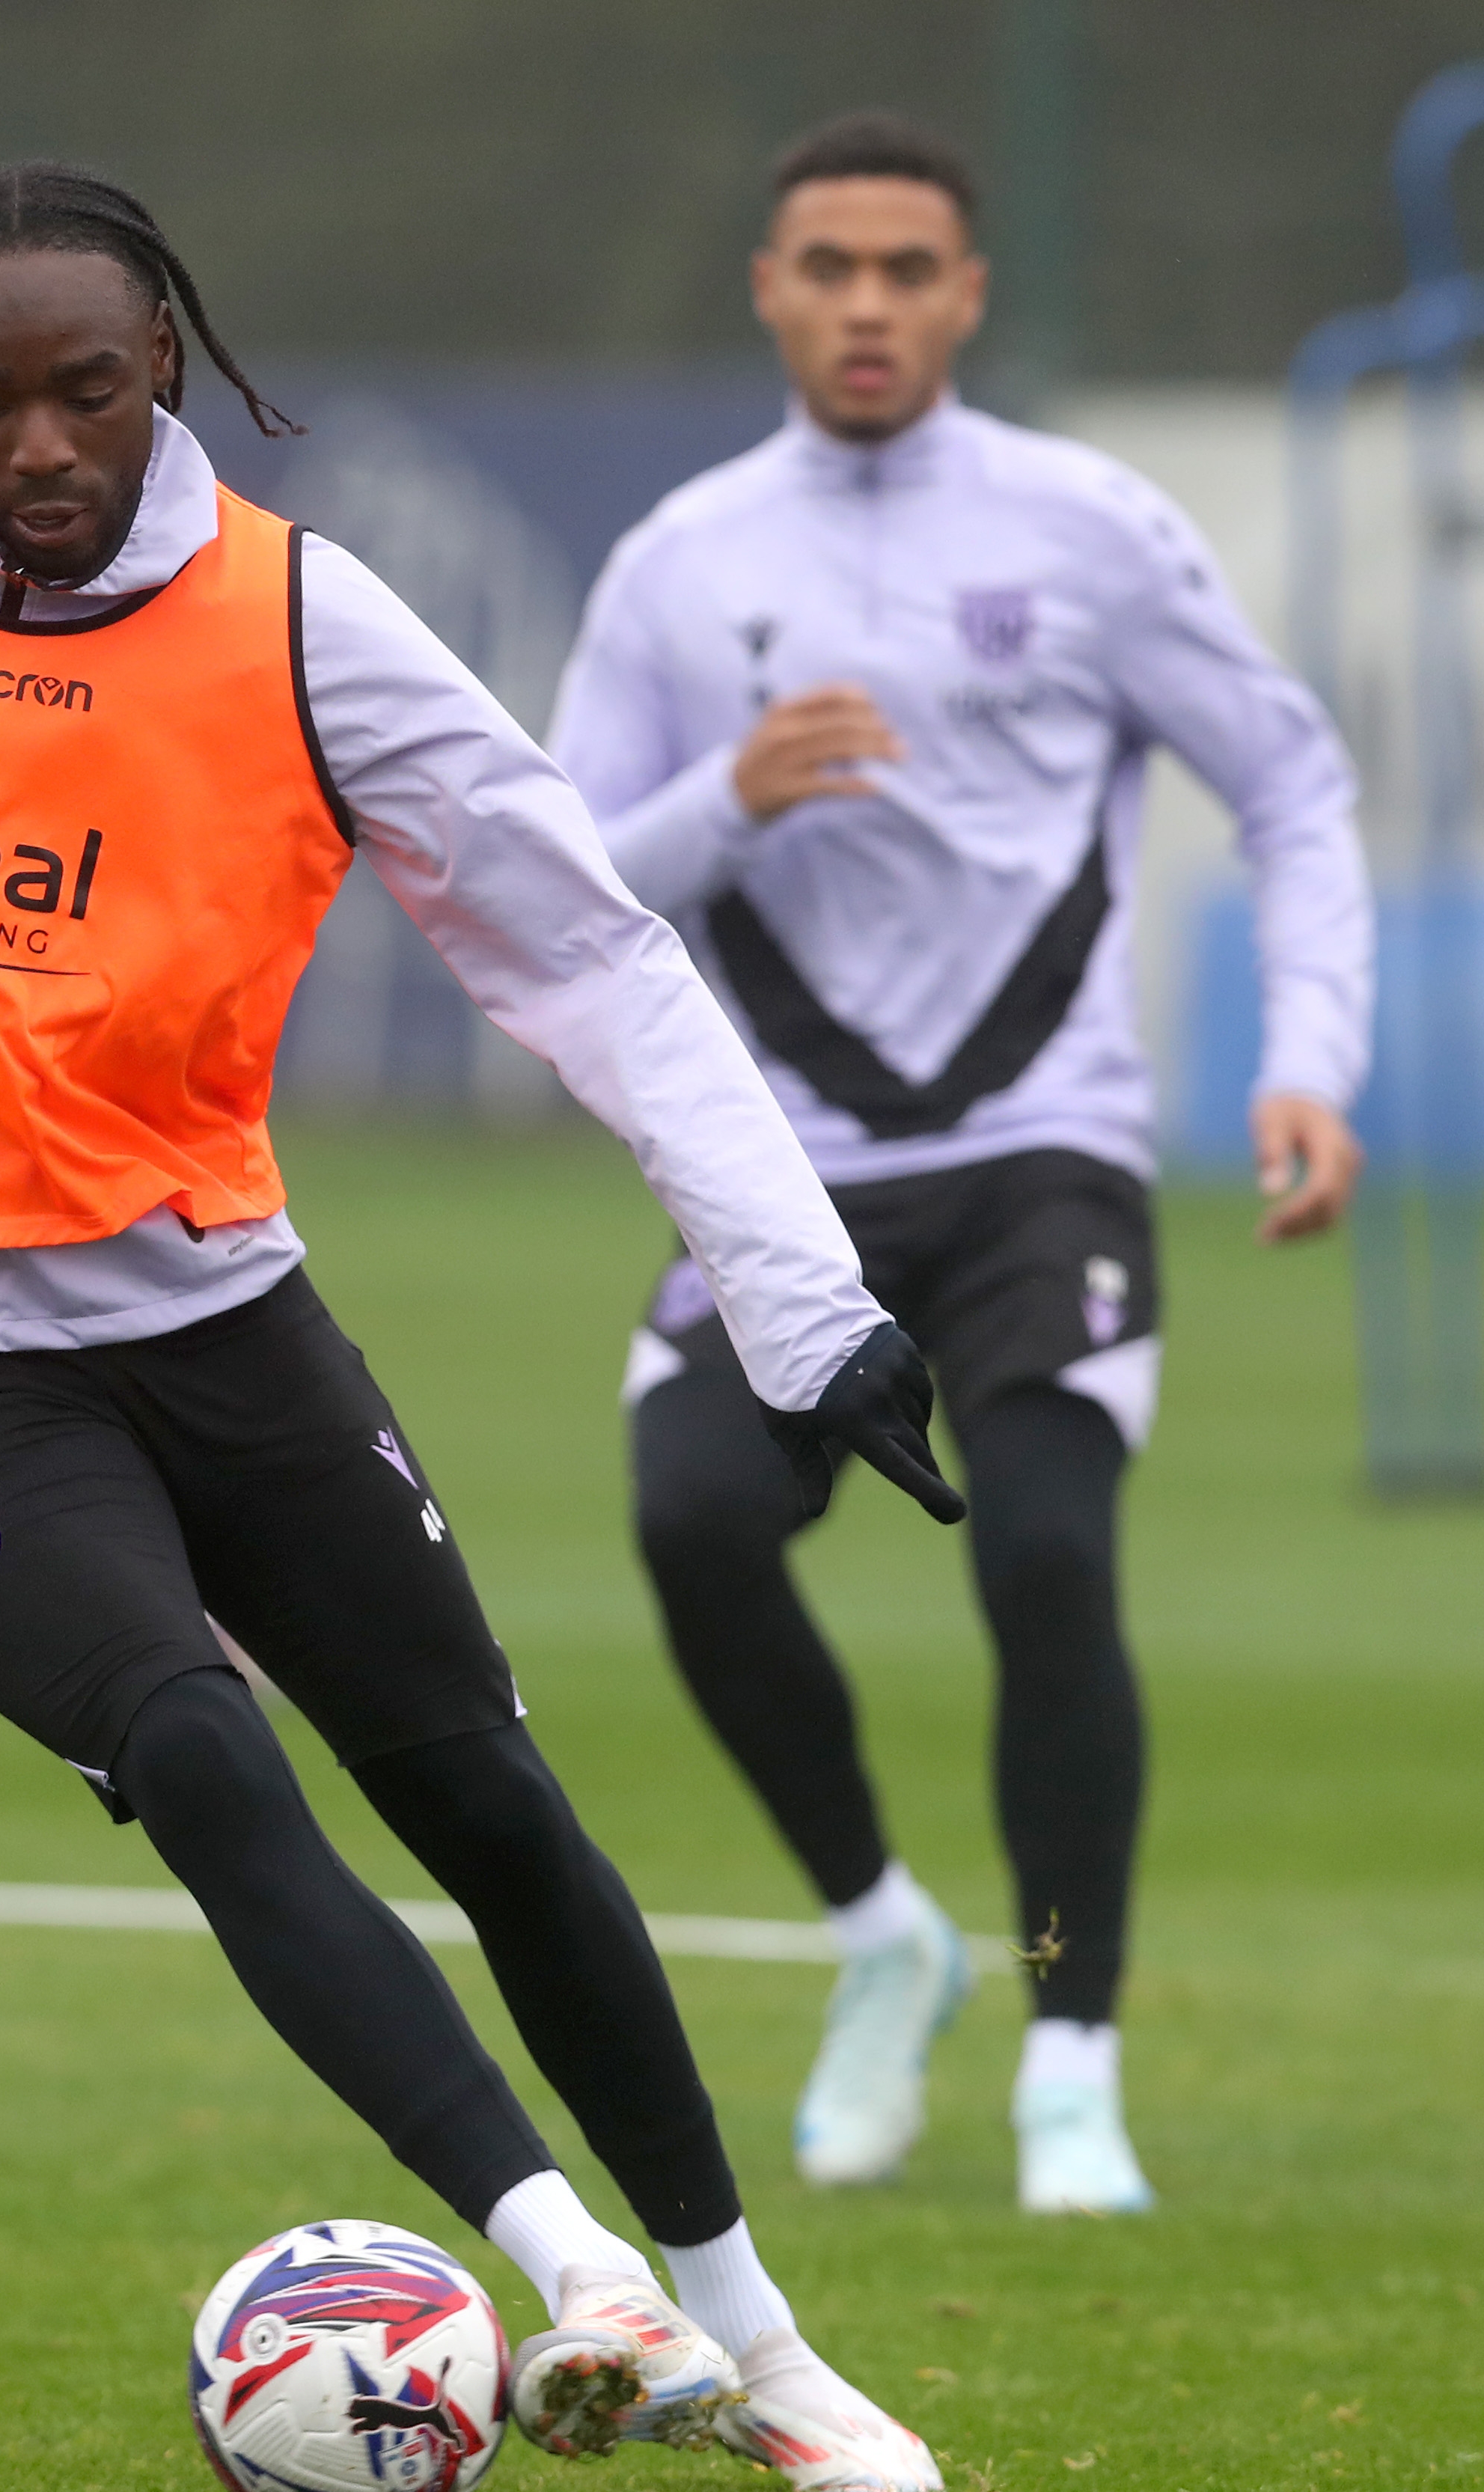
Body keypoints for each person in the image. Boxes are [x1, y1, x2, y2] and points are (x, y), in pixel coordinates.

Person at [0, 162, 962, 2492]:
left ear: (174, 374)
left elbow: (588, 953)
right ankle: (581, 2277)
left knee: (495, 1808)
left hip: (213, 1317)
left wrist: (803, 1301)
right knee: (206, 1756)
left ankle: (763, 2344)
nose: (37, 447)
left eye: (92, 392)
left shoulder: (306, 630)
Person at [548, 112, 1373, 2215]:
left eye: (909, 269)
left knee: (1047, 1562)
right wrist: (726, 794)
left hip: (1046, 1159)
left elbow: (1287, 781)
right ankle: (884, 1940)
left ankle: (1069, 2056)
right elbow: (546, 885)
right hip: (784, 1173)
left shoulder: (1091, 529)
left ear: (969, 295)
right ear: (770, 287)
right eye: (828, 265)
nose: (868, 304)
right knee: (693, 1523)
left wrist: (1313, 1057)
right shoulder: (681, 563)